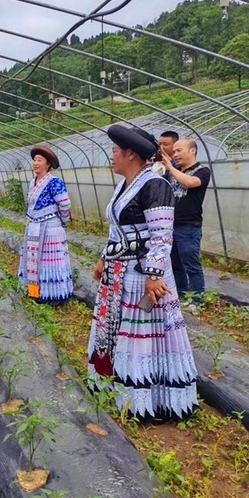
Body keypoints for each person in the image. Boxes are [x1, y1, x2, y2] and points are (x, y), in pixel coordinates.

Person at [88, 125, 198, 422]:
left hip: (140, 274)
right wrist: (103, 259)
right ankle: (116, 386)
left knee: (143, 335)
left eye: (114, 152)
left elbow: (162, 235)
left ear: (131, 154)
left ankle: (146, 400)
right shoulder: (126, 184)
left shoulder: (154, 185)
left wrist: (153, 273)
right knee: (116, 329)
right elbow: (116, 229)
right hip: (117, 271)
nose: (111, 157)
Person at [17, 145, 74, 304]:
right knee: (35, 260)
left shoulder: (55, 182)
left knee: (50, 260)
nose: (35, 163)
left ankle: (54, 296)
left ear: (48, 164)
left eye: (39, 160)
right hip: (34, 226)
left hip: (50, 228)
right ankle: (35, 291)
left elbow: (65, 205)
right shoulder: (32, 182)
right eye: (34, 160)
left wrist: (63, 221)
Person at [161, 138, 211, 300]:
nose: (175, 154)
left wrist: (169, 167)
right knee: (175, 263)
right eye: (174, 151)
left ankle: (198, 299)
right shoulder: (174, 170)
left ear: (192, 151)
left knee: (191, 265)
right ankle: (181, 294)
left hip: (189, 226)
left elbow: (190, 182)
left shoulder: (202, 170)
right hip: (171, 225)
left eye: (179, 150)